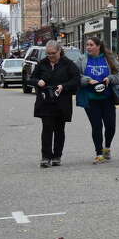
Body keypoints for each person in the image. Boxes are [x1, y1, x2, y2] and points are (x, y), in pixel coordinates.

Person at [32, 40, 80, 168]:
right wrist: (38, 82)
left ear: (59, 51)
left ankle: (57, 156)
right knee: (47, 128)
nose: (50, 56)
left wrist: (63, 86)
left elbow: (76, 79)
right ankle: (46, 157)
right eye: (48, 53)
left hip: (62, 102)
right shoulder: (42, 64)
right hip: (45, 101)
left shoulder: (68, 64)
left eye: (53, 53)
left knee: (59, 130)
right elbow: (31, 79)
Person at [77, 36, 119, 163]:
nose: (88, 47)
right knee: (96, 126)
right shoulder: (82, 59)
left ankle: (107, 147)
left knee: (110, 126)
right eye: (87, 45)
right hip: (90, 98)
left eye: (91, 45)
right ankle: (99, 153)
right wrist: (88, 80)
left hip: (107, 97)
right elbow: (75, 75)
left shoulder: (109, 59)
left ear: (98, 46)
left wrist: (110, 79)